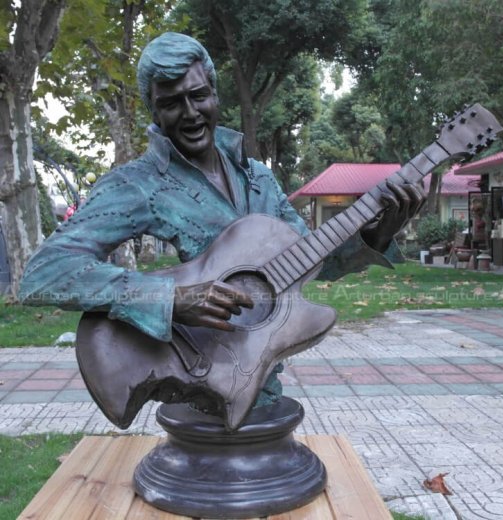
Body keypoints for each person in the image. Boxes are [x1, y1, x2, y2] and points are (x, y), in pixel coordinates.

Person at [20, 32, 424, 411]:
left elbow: (310, 263)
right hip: (195, 386)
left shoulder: (258, 177)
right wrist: (170, 299)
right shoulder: (137, 185)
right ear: (155, 111)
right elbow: (44, 274)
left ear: (215, 94)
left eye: (198, 95)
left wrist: (376, 233)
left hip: (261, 389)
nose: (190, 112)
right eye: (172, 102)